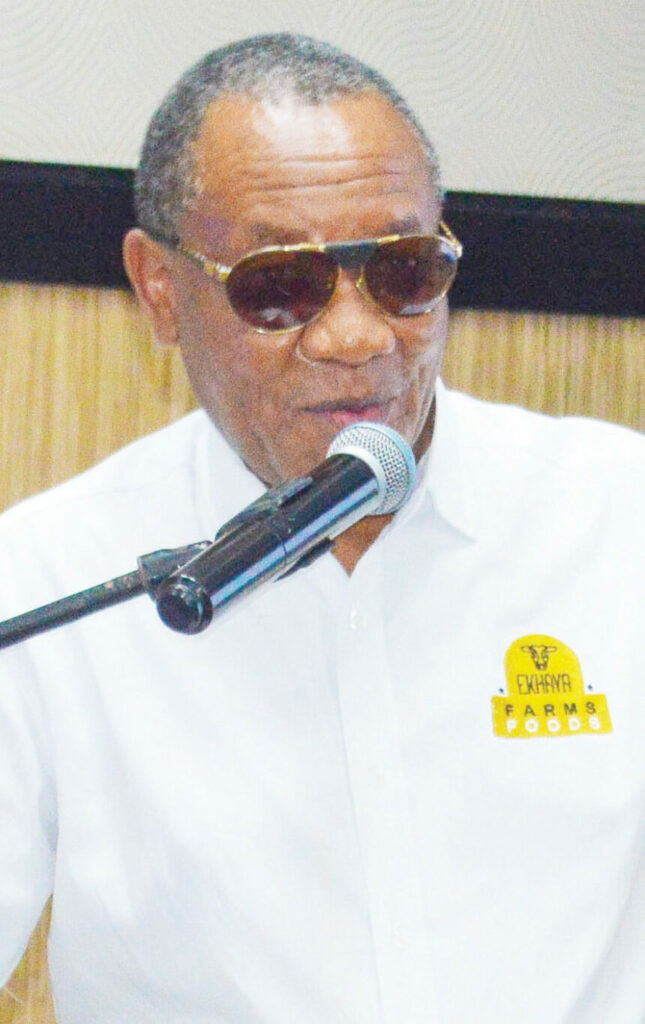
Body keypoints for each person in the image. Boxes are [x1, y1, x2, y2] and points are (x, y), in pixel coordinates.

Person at [0, 32, 644, 1024]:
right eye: (280, 287)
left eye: (403, 271)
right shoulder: (50, 584)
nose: (356, 336)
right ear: (161, 289)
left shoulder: (616, 518)